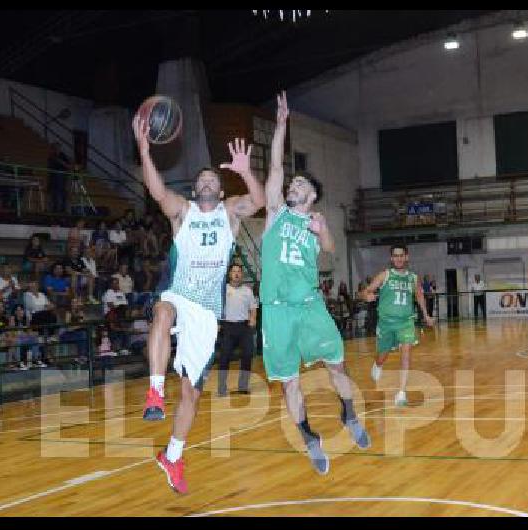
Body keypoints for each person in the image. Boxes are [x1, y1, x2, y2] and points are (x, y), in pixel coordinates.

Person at [133, 110, 265, 494]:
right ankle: (155, 389)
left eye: (213, 178)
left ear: (221, 192)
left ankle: (172, 456)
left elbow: (257, 201)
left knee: (191, 392)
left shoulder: (229, 213)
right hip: (180, 294)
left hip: (207, 311)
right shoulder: (183, 213)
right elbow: (157, 192)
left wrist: (244, 170)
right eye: (201, 178)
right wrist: (145, 150)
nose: (206, 180)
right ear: (194, 190)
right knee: (161, 310)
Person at [258, 92, 370, 475]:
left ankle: (349, 415)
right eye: (293, 182)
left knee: (337, 366)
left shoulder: (313, 222)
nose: (292, 184)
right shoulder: (275, 214)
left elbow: (331, 250)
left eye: (300, 182)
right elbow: (274, 167)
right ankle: (309, 439)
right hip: (276, 311)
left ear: (313, 196)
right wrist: (281, 125)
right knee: (290, 383)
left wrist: (322, 232)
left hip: (309, 306)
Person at [359, 244, 435, 406]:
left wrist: (426, 315)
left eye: (402, 255)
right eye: (396, 255)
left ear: (406, 257)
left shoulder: (413, 278)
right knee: (383, 355)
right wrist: (367, 296)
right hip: (386, 323)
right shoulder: (385, 275)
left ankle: (401, 393)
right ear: (392, 258)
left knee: (406, 353)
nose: (399, 258)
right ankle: (378, 365)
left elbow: (420, 296)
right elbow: (365, 291)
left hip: (406, 322)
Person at [217, 263, 258, 396]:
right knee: (224, 358)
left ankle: (243, 386)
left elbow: (253, 308)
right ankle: (222, 388)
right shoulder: (223, 289)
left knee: (247, 355)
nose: (236, 274)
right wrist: (217, 323)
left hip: (244, 327)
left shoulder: (247, 291)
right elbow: (216, 307)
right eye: (234, 271)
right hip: (227, 327)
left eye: (239, 271)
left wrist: (253, 319)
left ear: (242, 274)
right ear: (229, 274)